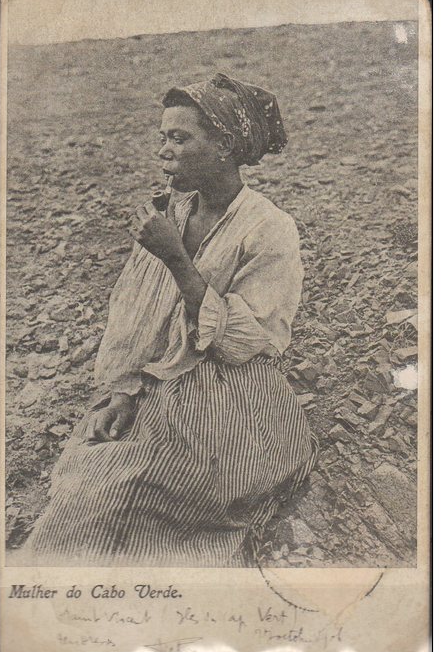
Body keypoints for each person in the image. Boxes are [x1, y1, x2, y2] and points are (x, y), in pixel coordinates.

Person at [26, 73, 318, 567]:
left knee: (146, 490)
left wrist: (177, 259)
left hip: (232, 394)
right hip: (160, 379)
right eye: (162, 137)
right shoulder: (172, 213)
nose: (164, 151)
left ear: (224, 146)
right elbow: (137, 313)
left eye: (179, 138)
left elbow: (244, 341)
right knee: (89, 483)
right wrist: (123, 391)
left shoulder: (269, 228)